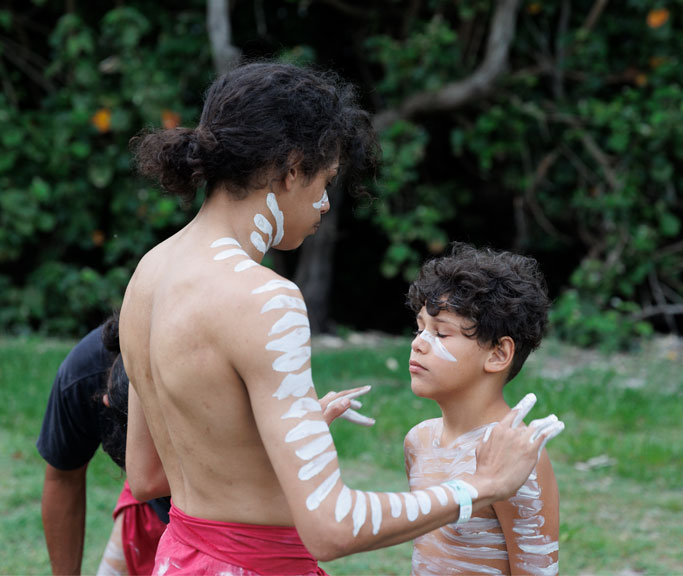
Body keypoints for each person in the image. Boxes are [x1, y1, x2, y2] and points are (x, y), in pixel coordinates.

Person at [120, 61, 564, 575]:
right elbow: (332, 528)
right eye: (325, 179)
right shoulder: (264, 298)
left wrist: (271, 435)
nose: (325, 202)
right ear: (290, 168)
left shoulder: (149, 273)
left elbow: (146, 474)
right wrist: (481, 487)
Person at [404, 243, 559, 575]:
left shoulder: (515, 455)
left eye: (441, 333)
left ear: (498, 354)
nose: (418, 343)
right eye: (420, 328)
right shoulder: (418, 441)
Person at [37, 314, 169, 575]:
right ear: (107, 401)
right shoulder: (83, 375)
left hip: (238, 519)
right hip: (150, 514)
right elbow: (63, 479)